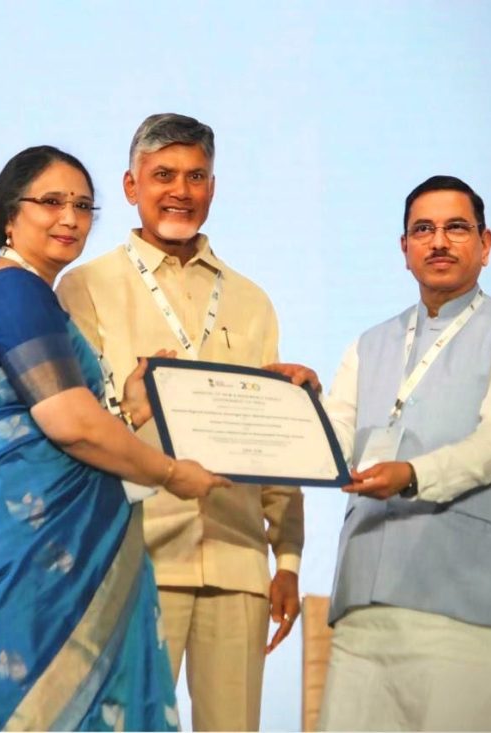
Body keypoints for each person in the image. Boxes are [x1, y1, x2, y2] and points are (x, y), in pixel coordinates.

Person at [0, 145, 228, 731]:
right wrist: (169, 473)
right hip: (25, 547)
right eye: (52, 202)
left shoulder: (19, 291)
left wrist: (129, 407)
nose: (70, 218)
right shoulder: (16, 289)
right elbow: (68, 423)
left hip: (47, 540)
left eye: (84, 206)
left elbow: (62, 420)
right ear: (9, 214)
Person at [56, 113, 308, 731]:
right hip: (133, 558)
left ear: (213, 189)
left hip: (238, 556)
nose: (181, 190)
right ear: (130, 186)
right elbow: (80, 421)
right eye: (163, 174)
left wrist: (290, 559)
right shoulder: (84, 288)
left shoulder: (251, 300)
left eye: (196, 176)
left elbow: (271, 437)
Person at [318, 175, 491, 730]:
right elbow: (330, 440)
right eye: (423, 230)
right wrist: (290, 403)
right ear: (404, 249)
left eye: (456, 228)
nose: (439, 242)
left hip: (471, 603)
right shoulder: (368, 344)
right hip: (365, 606)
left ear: (486, 243)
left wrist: (411, 475)